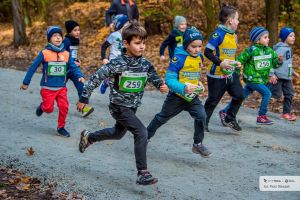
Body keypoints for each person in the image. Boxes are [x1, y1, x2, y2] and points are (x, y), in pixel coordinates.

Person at [76, 22, 168, 185]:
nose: (142, 47)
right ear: (126, 43)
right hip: (119, 107)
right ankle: (142, 173)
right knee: (141, 133)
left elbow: (153, 75)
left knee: (117, 134)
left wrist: (160, 84)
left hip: (132, 107)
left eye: (144, 43)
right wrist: (84, 97)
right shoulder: (117, 63)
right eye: (137, 43)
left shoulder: (145, 63)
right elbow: (95, 78)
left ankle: (90, 137)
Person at [147, 27, 211, 157]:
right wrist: (183, 88)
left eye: (200, 46)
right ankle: (145, 137)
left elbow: (194, 75)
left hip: (191, 97)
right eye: (194, 46)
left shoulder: (200, 58)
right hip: (176, 97)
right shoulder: (178, 58)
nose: (197, 50)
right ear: (186, 44)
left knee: (202, 116)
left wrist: (198, 84)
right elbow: (169, 80)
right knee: (161, 118)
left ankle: (197, 144)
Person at [20, 26, 85, 137]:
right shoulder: (44, 53)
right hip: (47, 88)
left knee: (64, 107)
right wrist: (26, 82)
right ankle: (42, 107)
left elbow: (73, 67)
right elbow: (33, 67)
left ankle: (61, 127)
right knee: (48, 109)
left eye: (59, 36)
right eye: (54, 36)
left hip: (61, 87)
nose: (58, 38)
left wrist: (79, 75)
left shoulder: (66, 53)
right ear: (49, 39)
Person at [222, 27, 279, 125]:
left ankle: (225, 111)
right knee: (267, 93)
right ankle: (262, 116)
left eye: (268, 37)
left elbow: (274, 64)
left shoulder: (270, 51)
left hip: (261, 79)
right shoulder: (251, 50)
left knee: (242, 96)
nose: (268, 39)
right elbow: (239, 60)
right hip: (252, 79)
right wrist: (235, 71)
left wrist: (279, 61)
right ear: (257, 40)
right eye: (265, 37)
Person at [204, 4, 244, 132]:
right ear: (230, 20)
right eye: (237, 19)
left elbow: (230, 54)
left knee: (239, 95)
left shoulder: (234, 36)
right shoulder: (217, 34)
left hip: (231, 73)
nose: (238, 21)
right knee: (212, 101)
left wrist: (236, 62)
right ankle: (203, 122)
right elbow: (207, 52)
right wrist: (220, 63)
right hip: (216, 75)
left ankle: (229, 118)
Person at [63, 20, 94, 117]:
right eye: (75, 30)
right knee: (58, 88)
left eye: (78, 30)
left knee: (81, 85)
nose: (78, 32)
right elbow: (62, 55)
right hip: (65, 69)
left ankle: (83, 107)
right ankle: (48, 102)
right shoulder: (65, 41)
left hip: (73, 69)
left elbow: (73, 54)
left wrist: (77, 60)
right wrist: (71, 62)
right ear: (69, 32)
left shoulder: (76, 40)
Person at [269, 27, 299, 121]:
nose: (293, 37)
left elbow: (287, 63)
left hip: (287, 77)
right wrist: (271, 74)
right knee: (276, 95)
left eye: (294, 36)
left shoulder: (289, 49)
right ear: (285, 37)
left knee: (289, 94)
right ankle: (264, 90)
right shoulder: (280, 49)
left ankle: (286, 113)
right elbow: (272, 62)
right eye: (291, 36)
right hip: (278, 76)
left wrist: (294, 73)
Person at [99, 15, 129, 94]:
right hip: (113, 60)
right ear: (122, 25)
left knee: (120, 79)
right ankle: (106, 82)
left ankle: (119, 95)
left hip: (123, 61)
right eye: (127, 23)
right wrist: (104, 58)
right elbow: (104, 47)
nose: (129, 25)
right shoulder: (114, 35)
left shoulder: (129, 36)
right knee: (112, 78)